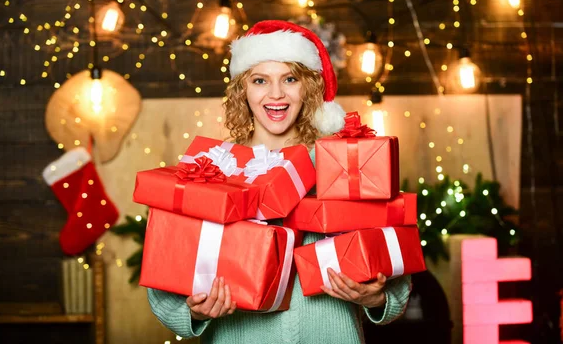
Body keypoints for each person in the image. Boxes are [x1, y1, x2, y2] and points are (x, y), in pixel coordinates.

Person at [147, 20, 412, 343]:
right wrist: (195, 312)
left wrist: (377, 299)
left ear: (309, 87)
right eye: (260, 80)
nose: (276, 94)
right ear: (243, 89)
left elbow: (396, 268)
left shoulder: (346, 163)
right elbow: (164, 278)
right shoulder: (212, 170)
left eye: (290, 79)